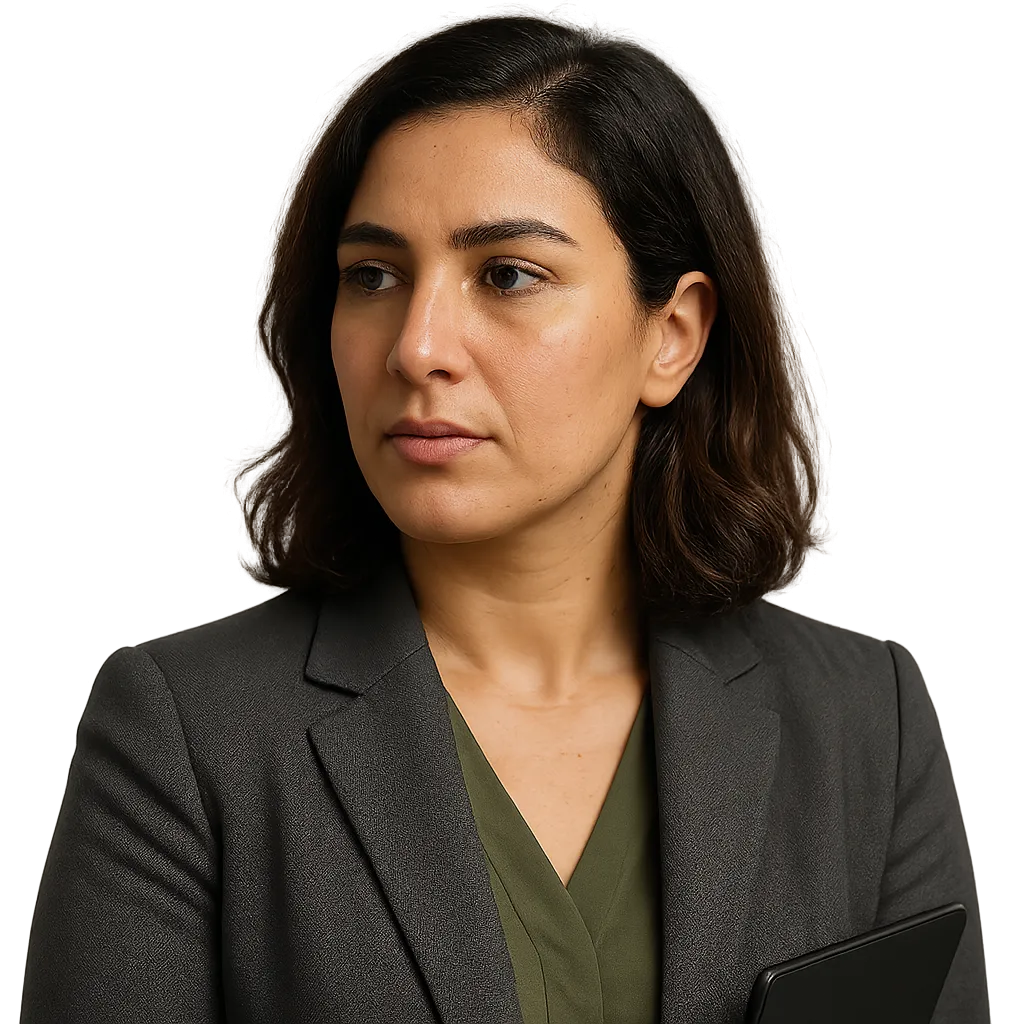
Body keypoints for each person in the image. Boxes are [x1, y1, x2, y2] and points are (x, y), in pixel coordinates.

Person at [18, 15, 989, 1024]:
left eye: (507, 275)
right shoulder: (186, 732)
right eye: (372, 276)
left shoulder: (863, 720)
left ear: (672, 335)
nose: (416, 346)